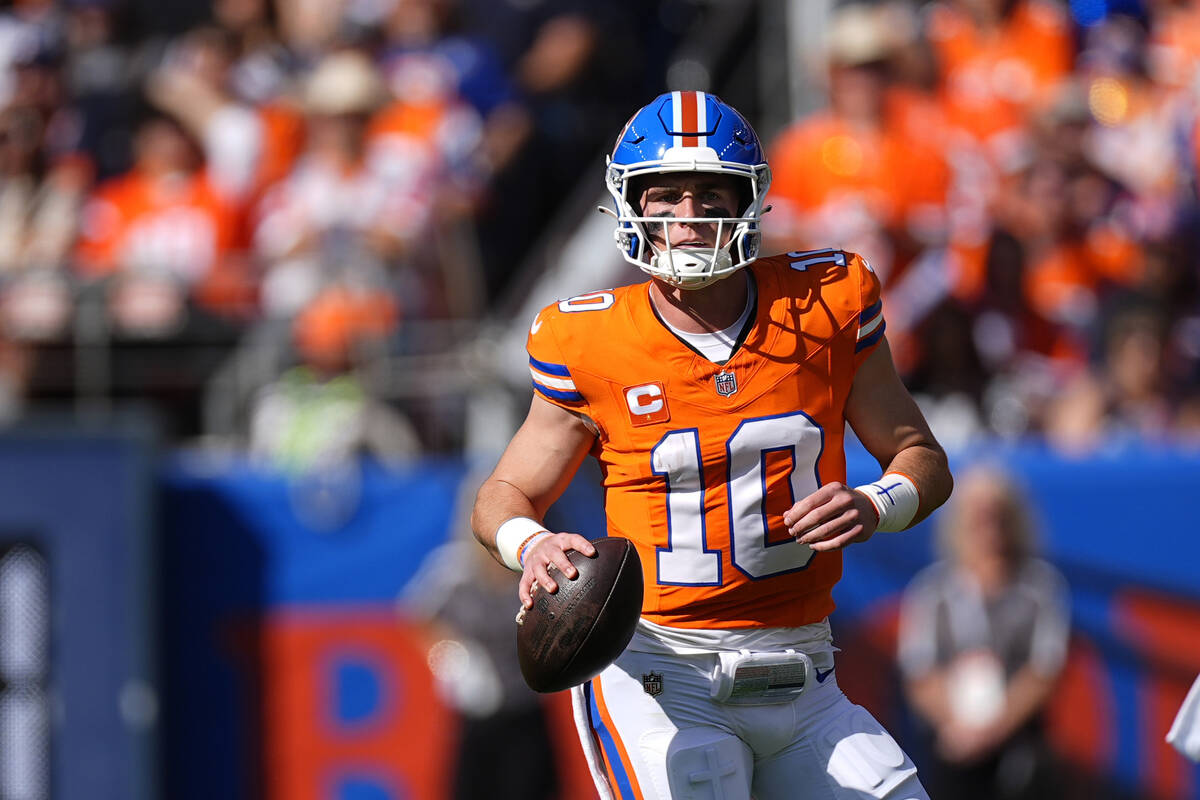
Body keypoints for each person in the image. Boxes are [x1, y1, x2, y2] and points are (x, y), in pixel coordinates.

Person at [470, 91, 953, 800]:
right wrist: (530, 543)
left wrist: (878, 503)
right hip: (664, 678)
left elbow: (924, 460)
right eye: (665, 195)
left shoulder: (827, 302)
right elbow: (500, 498)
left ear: (750, 199)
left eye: (709, 193)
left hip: (806, 670)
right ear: (629, 203)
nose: (689, 217)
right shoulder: (589, 339)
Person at [897, 463, 1070, 800]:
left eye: (997, 514)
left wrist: (994, 729)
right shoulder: (932, 591)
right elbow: (919, 672)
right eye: (977, 515)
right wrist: (959, 726)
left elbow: (1044, 670)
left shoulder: (1040, 587)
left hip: (1020, 746)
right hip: (951, 744)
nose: (988, 526)